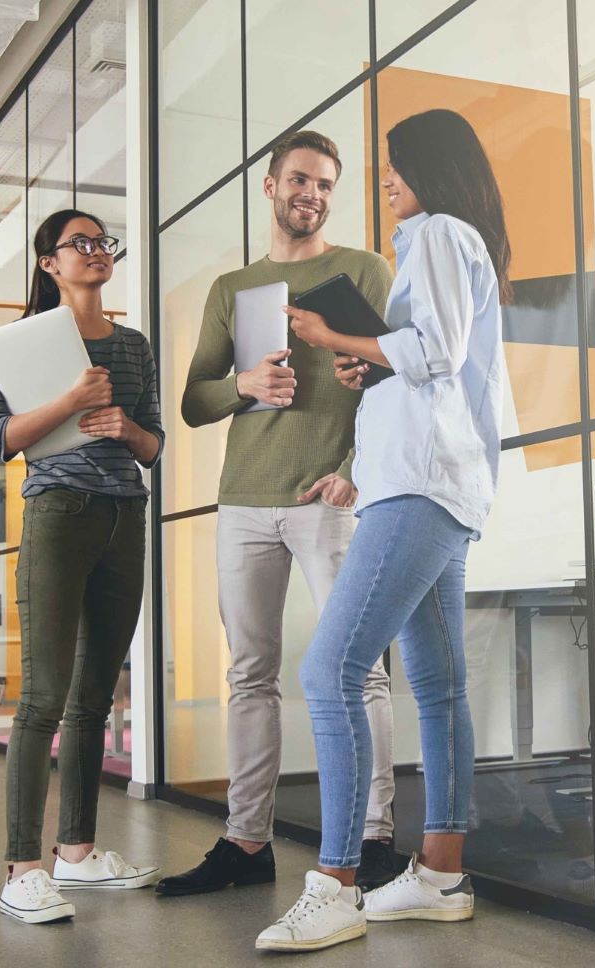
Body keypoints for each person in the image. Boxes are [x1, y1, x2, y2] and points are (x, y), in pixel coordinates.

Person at [256, 109, 512, 952]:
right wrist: (372, 358)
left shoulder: (436, 232)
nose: (386, 181)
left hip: (422, 487)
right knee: (437, 687)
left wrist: (332, 334)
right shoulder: (460, 242)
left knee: (330, 670)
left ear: (429, 168)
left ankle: (334, 882)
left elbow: (434, 349)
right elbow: (431, 361)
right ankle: (440, 873)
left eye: (393, 166)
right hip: (443, 481)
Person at [160, 131, 405, 900]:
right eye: (301, 179)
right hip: (244, 501)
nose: (315, 194)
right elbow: (194, 402)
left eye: (327, 184)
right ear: (270, 187)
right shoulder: (236, 286)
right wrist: (246, 386)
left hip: (325, 498)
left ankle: (373, 838)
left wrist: (352, 472)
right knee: (249, 676)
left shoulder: (363, 268)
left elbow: (403, 376)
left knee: (358, 672)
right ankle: (245, 842)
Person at [0, 210, 166, 925]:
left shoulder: (134, 346)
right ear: (49, 263)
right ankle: (21, 866)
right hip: (59, 513)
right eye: (79, 244)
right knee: (44, 697)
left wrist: (127, 427)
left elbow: (153, 447)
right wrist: (70, 401)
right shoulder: (23, 345)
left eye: (102, 242)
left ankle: (77, 854)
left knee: (95, 698)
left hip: (125, 517)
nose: (96, 252)